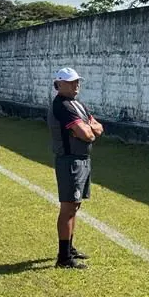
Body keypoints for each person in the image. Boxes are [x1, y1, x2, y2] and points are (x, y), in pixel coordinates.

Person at [47, 67, 103, 269]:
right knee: (68, 206)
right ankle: (63, 257)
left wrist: (89, 128)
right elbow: (87, 133)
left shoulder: (77, 104)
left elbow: (97, 128)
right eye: (71, 82)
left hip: (81, 159)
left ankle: (69, 247)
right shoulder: (63, 105)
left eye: (77, 81)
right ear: (59, 84)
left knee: (75, 205)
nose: (76, 84)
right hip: (70, 160)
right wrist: (88, 129)